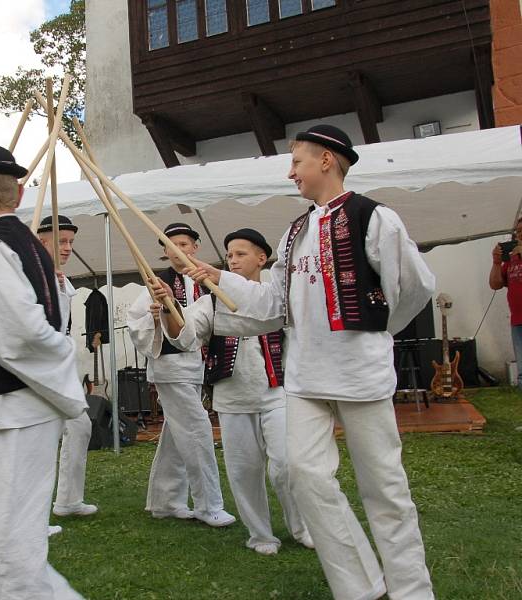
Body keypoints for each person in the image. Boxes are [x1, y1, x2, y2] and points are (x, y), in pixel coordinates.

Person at [183, 125, 436, 600]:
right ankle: (361, 587)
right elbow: (273, 305)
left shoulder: (374, 217)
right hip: (304, 378)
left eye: (296, 161)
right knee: (305, 476)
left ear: (326, 160)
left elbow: (415, 287)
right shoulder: (296, 230)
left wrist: (377, 329)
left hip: (360, 374)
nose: (290, 171)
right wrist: (218, 276)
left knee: (384, 489)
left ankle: (412, 592)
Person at [0, 144, 87, 599]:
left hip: (13, 408)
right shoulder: (26, 244)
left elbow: (20, 334)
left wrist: (60, 374)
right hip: (16, 408)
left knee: (1, 548)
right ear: (20, 193)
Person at [155, 228, 313, 555]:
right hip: (232, 401)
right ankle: (261, 535)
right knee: (245, 471)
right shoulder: (210, 301)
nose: (233, 260)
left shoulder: (277, 298)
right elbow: (183, 338)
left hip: (277, 395)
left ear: (261, 258)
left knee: (286, 465)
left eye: (241, 254)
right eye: (229, 255)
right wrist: (167, 306)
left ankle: (301, 526)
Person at [126, 223, 234, 527]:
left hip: (197, 367)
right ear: (164, 252)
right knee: (198, 430)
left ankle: (165, 501)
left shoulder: (206, 279)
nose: (177, 252)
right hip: (171, 369)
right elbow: (136, 323)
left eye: (183, 245)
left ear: (195, 247)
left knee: (177, 435)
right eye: (170, 247)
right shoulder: (157, 282)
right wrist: (156, 314)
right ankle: (208, 504)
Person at [37, 214, 98, 518]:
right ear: (41, 241)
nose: (68, 248)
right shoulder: (29, 276)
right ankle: (29, 514)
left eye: (71, 242)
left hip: (61, 365)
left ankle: (68, 500)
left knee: (80, 427)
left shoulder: (59, 278)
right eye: (61, 241)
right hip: (39, 367)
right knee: (38, 438)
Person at [489, 219, 522, 389]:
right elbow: (495, 284)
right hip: (518, 320)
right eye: (517, 232)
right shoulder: (512, 260)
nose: (518, 235)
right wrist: (496, 262)